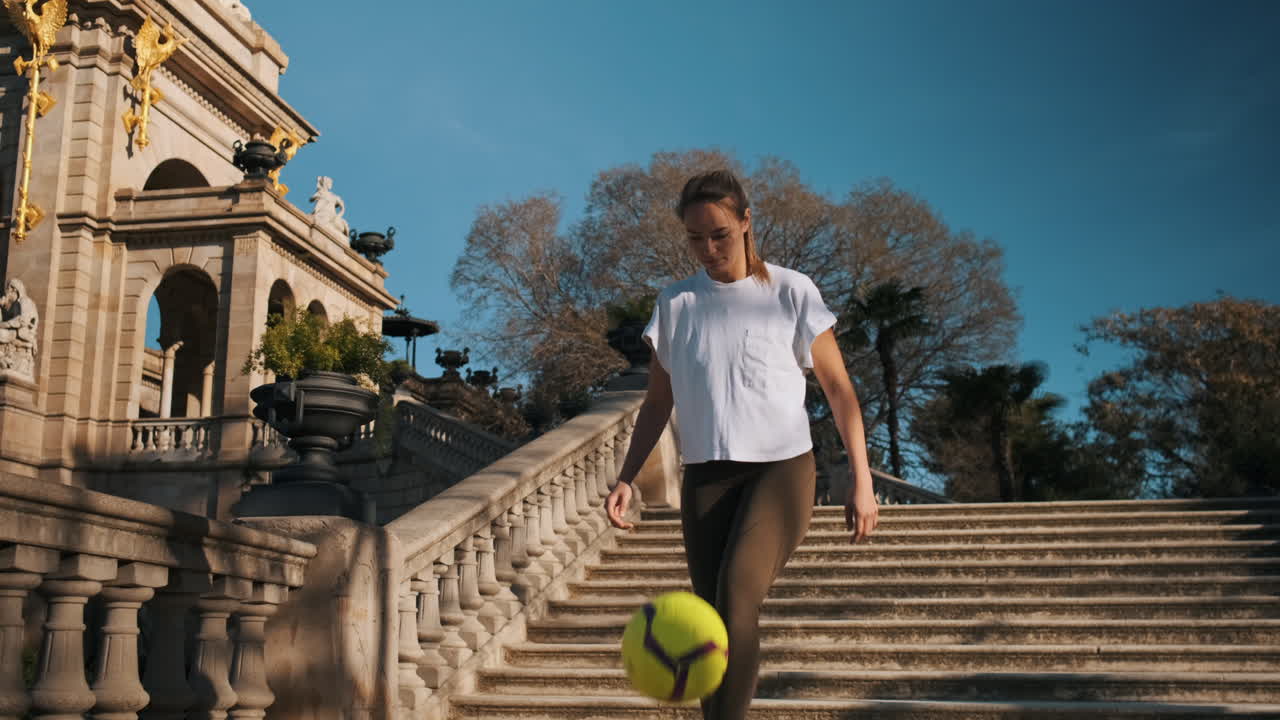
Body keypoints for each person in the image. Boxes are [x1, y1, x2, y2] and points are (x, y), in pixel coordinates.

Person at [604, 169, 879, 720]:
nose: (708, 249)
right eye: (695, 238)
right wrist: (627, 477)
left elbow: (839, 389)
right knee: (711, 622)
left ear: (746, 222)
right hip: (706, 477)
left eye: (720, 234)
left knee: (735, 596)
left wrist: (862, 476)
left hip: (781, 471)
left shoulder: (791, 292)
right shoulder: (676, 304)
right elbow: (657, 403)